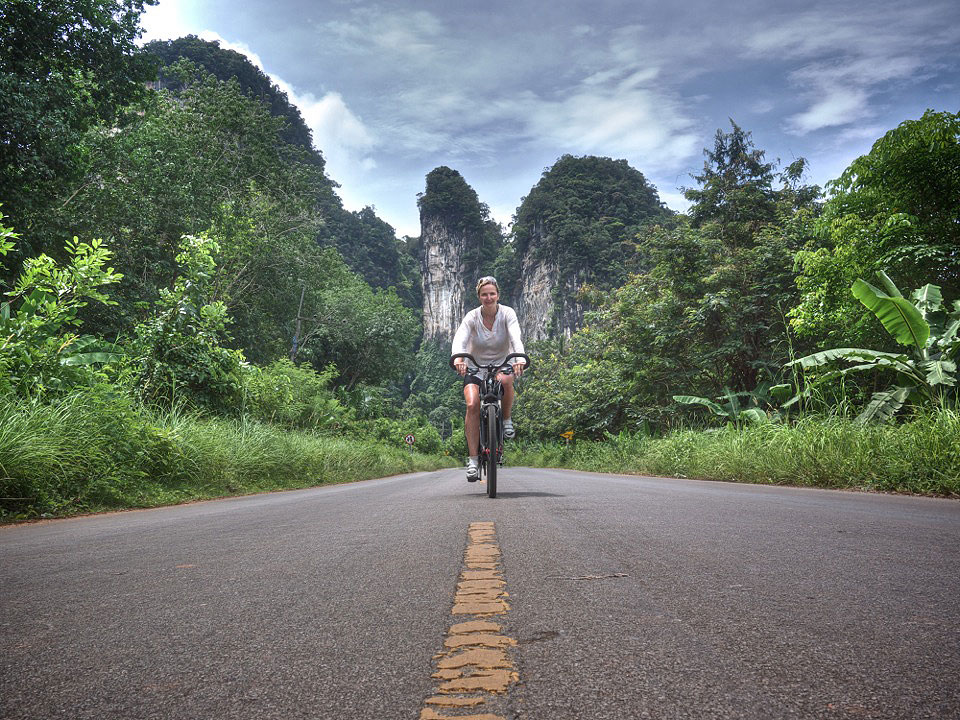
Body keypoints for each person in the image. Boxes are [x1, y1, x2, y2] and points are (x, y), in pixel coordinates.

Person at [452, 276, 526, 481]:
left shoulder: (507, 313)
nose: (488, 297)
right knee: (472, 404)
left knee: (506, 380)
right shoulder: (472, 317)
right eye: (484, 294)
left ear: (498, 295)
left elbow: (516, 337)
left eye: (492, 293)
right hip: (475, 367)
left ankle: (506, 419)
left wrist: (519, 358)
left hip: (503, 363)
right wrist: (459, 359)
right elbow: (460, 339)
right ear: (479, 297)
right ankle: (473, 461)